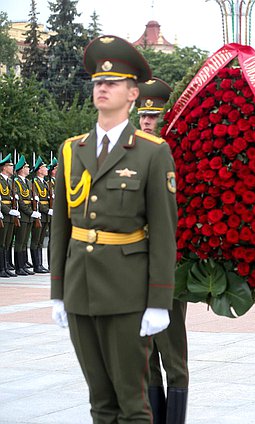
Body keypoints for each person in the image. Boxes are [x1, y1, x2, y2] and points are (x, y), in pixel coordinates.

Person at [50, 35, 177, 423]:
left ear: (133, 93)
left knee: (132, 403)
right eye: (97, 83)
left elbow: (164, 230)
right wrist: (58, 291)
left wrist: (159, 300)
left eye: (113, 83)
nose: (102, 88)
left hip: (126, 290)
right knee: (99, 401)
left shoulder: (152, 152)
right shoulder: (73, 149)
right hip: (80, 287)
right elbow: (60, 226)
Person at [137, 77, 189, 424]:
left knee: (173, 357)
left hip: (168, 267)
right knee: (145, 358)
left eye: (153, 117)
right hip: (134, 267)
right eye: (143, 116)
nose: (146, 122)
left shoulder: (176, 157)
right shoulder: (129, 157)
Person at [13, 156, 37, 276]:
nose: (28, 169)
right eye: (27, 167)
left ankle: (23, 266)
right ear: (22, 169)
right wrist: (30, 212)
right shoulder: (16, 182)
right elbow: (20, 201)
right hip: (23, 214)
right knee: (19, 241)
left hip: (28, 216)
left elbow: (31, 198)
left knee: (24, 242)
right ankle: (18, 267)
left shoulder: (27, 182)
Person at [29, 157, 51, 273]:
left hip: (46, 215)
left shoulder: (46, 183)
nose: (46, 169)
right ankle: (36, 265)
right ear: (39, 170)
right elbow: (36, 200)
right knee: (35, 240)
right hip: (40, 214)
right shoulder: (35, 182)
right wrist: (47, 210)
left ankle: (40, 264)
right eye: (44, 167)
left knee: (41, 241)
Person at [0, 154, 17, 278]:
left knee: (7, 242)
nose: (12, 167)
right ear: (4, 167)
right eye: (10, 165)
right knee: (1, 243)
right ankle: (1, 268)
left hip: (11, 215)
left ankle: (5, 267)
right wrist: (7, 211)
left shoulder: (10, 182)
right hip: (4, 214)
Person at [46, 158, 57, 268]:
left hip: (57, 213)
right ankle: (51, 264)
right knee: (52, 239)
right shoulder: (50, 183)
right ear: (53, 170)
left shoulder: (57, 181)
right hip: (52, 213)